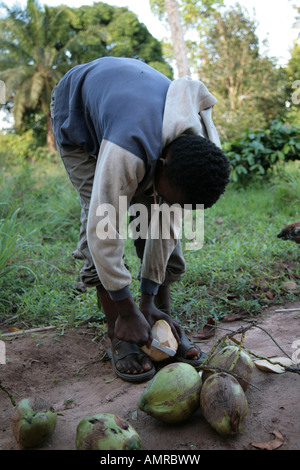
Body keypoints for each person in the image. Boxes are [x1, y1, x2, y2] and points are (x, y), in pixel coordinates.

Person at [50, 57, 230, 382]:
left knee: (155, 224)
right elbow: (104, 235)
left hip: (129, 108)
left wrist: (147, 299)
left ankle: (159, 323)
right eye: (166, 197)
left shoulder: (200, 149)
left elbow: (166, 227)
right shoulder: (127, 151)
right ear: (160, 163)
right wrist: (128, 309)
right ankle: (119, 332)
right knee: (102, 218)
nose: (166, 205)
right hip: (77, 114)